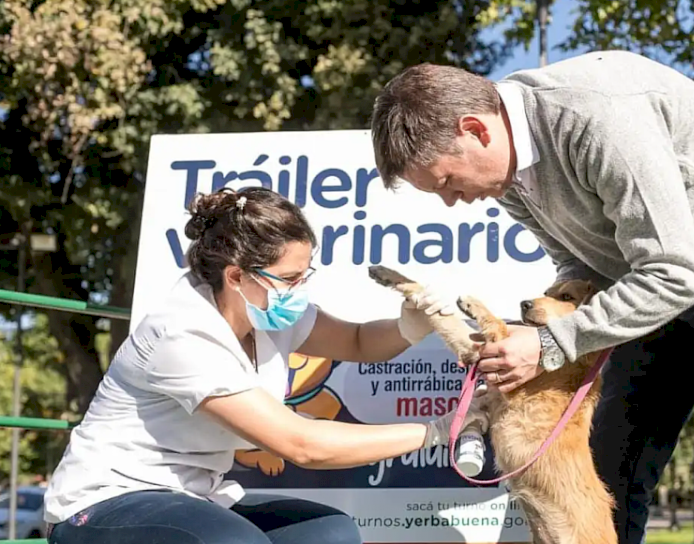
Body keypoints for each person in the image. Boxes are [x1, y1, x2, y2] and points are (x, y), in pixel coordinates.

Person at [369, 50, 694, 544]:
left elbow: (674, 273)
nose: (452, 201)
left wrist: (545, 345)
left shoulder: (595, 117)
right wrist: (541, 335)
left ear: (476, 129)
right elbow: (579, 269)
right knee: (612, 458)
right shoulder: (511, 177)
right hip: (648, 269)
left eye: (447, 182)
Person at [43, 187, 489, 544]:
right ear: (237, 276)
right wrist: (437, 430)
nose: (300, 289)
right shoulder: (182, 333)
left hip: (194, 497)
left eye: (306, 274)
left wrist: (411, 326)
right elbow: (302, 444)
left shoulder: (269, 312)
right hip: (104, 504)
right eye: (291, 279)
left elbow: (357, 341)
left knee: (331, 532)